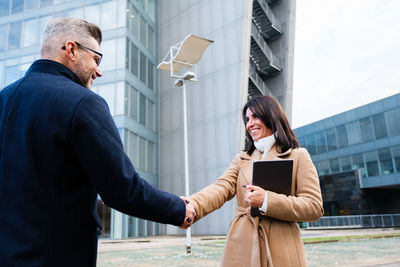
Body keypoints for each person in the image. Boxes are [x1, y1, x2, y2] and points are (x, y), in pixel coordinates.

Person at [0, 17, 195, 267]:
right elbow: (122, 189)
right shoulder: (82, 102)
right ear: (71, 50)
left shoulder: (4, 98)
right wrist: (178, 209)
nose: (99, 71)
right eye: (96, 59)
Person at [184, 96, 323, 267]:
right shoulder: (241, 159)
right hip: (242, 244)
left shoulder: (298, 155)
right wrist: (192, 204)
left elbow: (314, 206)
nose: (250, 124)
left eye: (255, 117)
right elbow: (221, 187)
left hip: (282, 247)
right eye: (247, 119)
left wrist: (266, 200)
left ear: (271, 117)